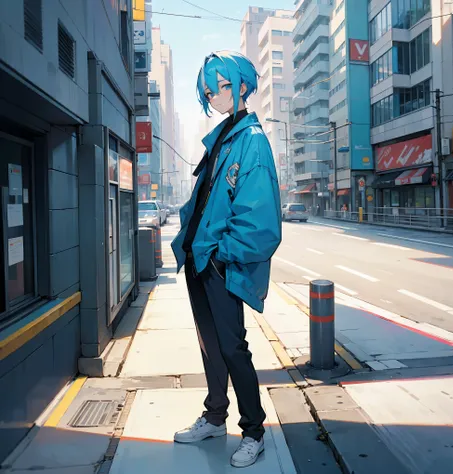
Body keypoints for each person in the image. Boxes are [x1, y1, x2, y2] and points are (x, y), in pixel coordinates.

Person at [171, 51, 282, 468]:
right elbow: (203, 203)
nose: (212, 95)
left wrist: (220, 255)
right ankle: (216, 417)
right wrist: (190, 245)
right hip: (200, 261)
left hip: (217, 263)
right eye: (207, 89)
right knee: (210, 346)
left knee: (234, 349)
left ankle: (253, 430)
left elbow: (260, 220)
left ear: (240, 86)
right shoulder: (225, 137)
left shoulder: (251, 142)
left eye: (218, 86)